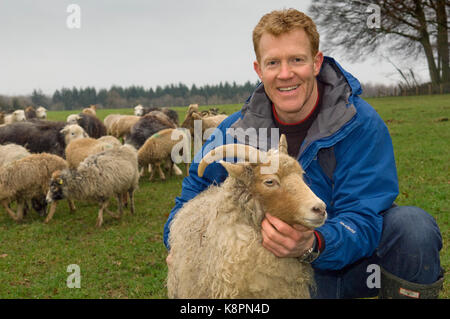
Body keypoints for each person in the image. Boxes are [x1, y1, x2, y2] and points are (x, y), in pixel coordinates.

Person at [163, 9, 444, 299]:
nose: (285, 74)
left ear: (316, 62)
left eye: (297, 59)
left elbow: (363, 213)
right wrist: (180, 247)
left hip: (347, 263)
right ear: (259, 70)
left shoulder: (358, 124)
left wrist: (315, 244)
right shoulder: (235, 130)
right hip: (272, 272)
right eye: (273, 63)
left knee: (413, 228)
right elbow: (191, 197)